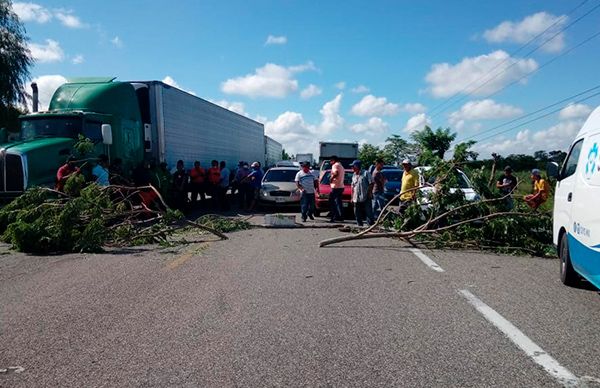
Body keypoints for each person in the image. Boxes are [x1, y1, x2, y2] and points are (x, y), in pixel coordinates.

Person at [350, 160, 374, 227]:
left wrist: (369, 193)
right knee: (356, 212)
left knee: (368, 212)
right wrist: (351, 197)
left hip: (366, 196)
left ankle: (371, 226)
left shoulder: (366, 173)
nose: (352, 168)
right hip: (356, 197)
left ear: (357, 166)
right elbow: (352, 186)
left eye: (353, 166)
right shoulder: (354, 175)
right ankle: (360, 226)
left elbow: (371, 183)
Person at [328, 155, 345, 222]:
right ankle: (340, 216)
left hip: (335, 186)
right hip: (341, 186)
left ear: (333, 160)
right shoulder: (341, 166)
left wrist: (331, 179)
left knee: (332, 203)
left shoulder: (335, 165)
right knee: (338, 202)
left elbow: (336, 173)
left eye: (331, 161)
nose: (330, 163)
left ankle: (334, 217)